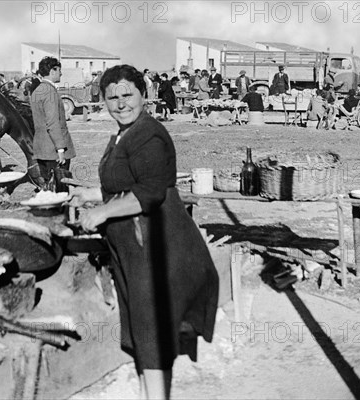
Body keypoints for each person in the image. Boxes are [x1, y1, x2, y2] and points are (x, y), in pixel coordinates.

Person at [70, 65, 219, 399]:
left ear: (144, 94)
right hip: (135, 249)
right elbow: (127, 182)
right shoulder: (124, 133)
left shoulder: (149, 134)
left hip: (157, 248)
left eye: (128, 94)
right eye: (113, 97)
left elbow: (149, 192)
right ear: (103, 101)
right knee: (141, 327)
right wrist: (92, 194)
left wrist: (101, 212)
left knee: (151, 330)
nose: (122, 103)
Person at [30, 56, 76, 181]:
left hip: (41, 148)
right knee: (60, 188)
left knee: (48, 187)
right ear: (52, 71)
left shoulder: (37, 91)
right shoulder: (49, 92)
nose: (61, 73)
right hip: (54, 151)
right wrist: (60, 149)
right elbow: (52, 122)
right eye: (59, 70)